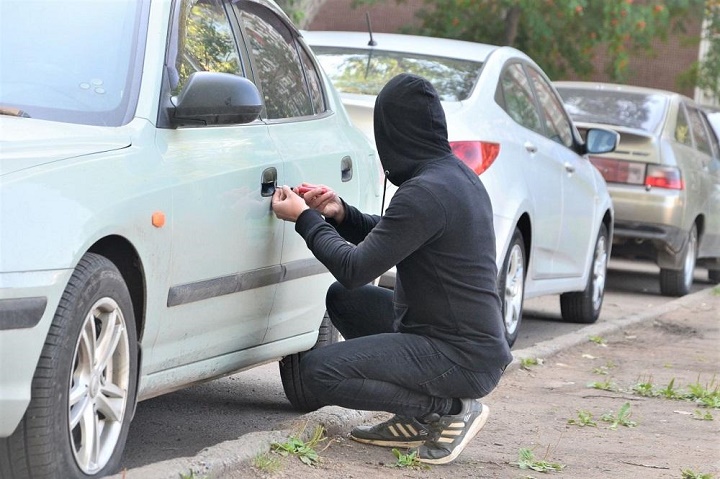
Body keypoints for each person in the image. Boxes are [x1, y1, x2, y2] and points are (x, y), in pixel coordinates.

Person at [271, 73, 513, 465]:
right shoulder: (452, 178)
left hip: (459, 356)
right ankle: (418, 418)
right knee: (344, 300)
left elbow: (354, 268)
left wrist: (305, 220)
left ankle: (445, 409)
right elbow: (395, 237)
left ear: (392, 134)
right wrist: (340, 213)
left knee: (319, 372)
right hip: (455, 340)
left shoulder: (426, 192)